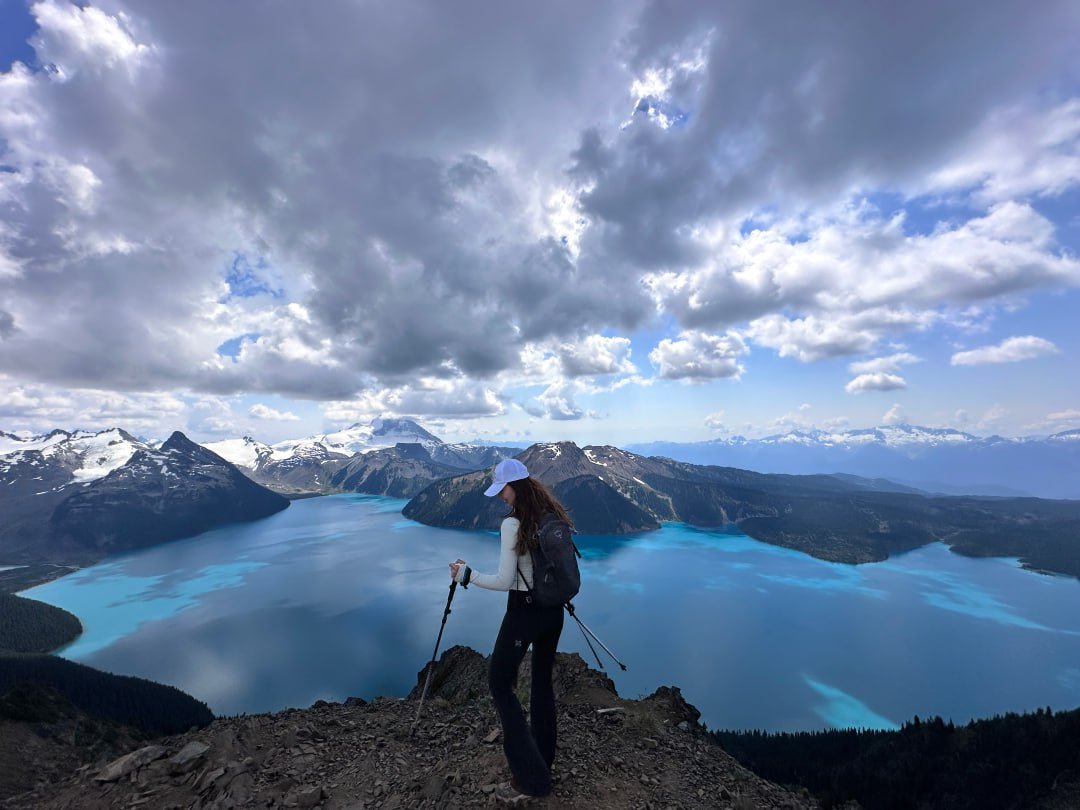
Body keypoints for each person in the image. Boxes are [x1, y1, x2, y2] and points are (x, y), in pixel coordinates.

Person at [449, 458, 574, 800]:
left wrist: (467, 575)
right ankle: (543, 762)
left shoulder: (513, 524)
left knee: (500, 684)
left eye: (502, 490)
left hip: (524, 614)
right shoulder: (551, 514)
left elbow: (506, 581)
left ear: (515, 486)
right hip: (554, 613)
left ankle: (531, 779)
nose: (500, 497)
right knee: (541, 684)